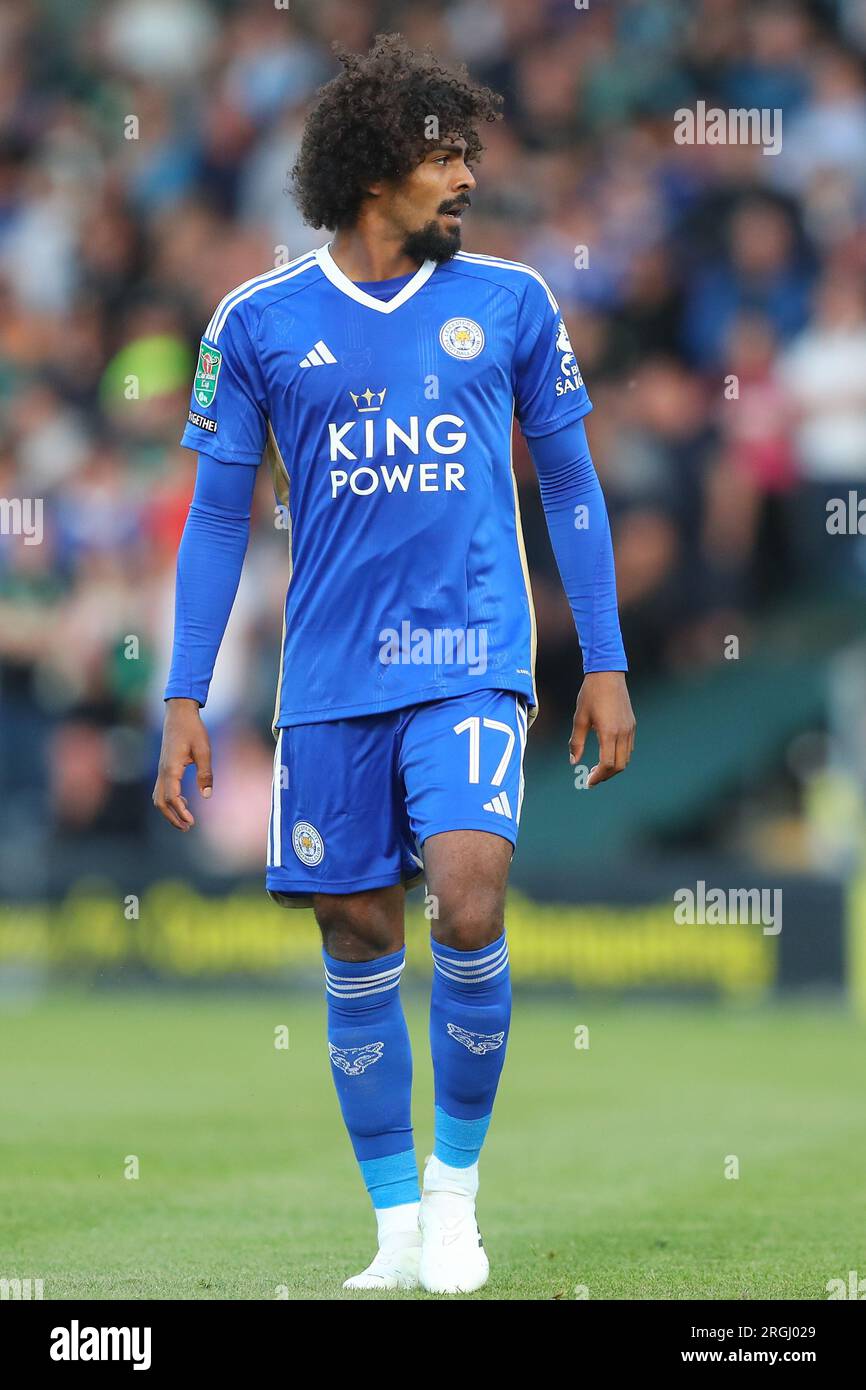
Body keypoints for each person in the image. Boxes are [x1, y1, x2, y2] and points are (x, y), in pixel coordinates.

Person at [152, 34, 635, 1296]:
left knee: (467, 894)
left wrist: (604, 657)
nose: (467, 176)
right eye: (444, 155)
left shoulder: (514, 302)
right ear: (374, 172)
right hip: (326, 677)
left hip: (471, 652)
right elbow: (215, 519)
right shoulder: (255, 323)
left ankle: (456, 1197)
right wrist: (185, 694)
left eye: (468, 152)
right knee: (358, 931)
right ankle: (395, 1229)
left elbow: (571, 485)